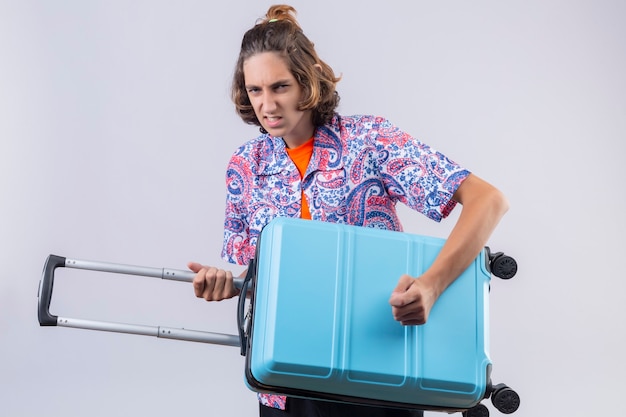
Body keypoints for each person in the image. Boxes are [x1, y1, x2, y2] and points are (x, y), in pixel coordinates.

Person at [188, 4, 509, 417]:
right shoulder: (244, 166)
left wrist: (431, 285)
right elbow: (258, 278)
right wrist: (226, 283)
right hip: (284, 380)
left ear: (307, 83)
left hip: (374, 372)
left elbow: (489, 200)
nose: (267, 105)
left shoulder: (370, 141)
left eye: (280, 87)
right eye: (255, 90)